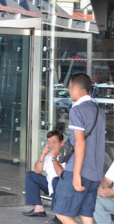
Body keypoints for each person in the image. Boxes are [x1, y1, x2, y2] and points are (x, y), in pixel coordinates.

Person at [53, 73, 106, 224]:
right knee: (86, 215)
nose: (69, 91)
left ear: (76, 87)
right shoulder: (99, 112)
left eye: (69, 88)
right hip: (95, 174)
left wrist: (76, 174)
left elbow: (80, 143)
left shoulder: (77, 110)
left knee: (61, 213)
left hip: (78, 170)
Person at [23, 130, 65, 221]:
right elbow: (37, 171)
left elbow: (62, 175)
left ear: (61, 143)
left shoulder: (66, 155)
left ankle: (59, 215)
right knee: (30, 175)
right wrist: (42, 155)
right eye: (49, 142)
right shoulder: (48, 154)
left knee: (56, 180)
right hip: (50, 185)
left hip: (62, 188)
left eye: (54, 142)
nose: (51, 145)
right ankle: (39, 209)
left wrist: (54, 158)